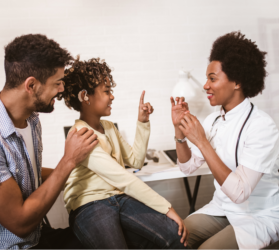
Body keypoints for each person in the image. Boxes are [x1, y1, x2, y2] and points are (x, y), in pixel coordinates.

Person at [0, 34, 99, 249]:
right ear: (31, 85)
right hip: (11, 245)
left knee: (109, 238)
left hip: (39, 236)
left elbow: (26, 173)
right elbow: (20, 222)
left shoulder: (32, 120)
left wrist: (86, 174)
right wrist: (69, 160)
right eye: (57, 83)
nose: (62, 89)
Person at [62, 56, 188, 249]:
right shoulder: (81, 135)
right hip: (90, 205)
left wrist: (143, 122)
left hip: (119, 197)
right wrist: (167, 208)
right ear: (85, 96)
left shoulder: (109, 127)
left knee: (174, 235)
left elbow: (136, 161)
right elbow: (124, 179)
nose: (112, 96)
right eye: (106, 92)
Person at [171, 31, 279, 249]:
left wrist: (202, 141)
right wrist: (179, 130)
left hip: (258, 214)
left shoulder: (262, 126)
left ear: (237, 82)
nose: (205, 86)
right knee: (172, 237)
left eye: (212, 79)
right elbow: (187, 167)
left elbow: (240, 193)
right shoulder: (213, 120)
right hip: (221, 209)